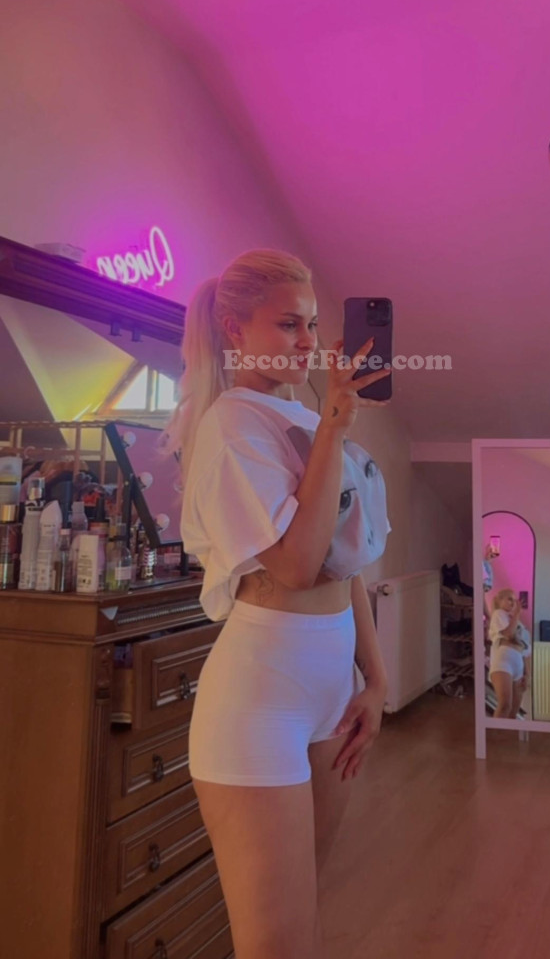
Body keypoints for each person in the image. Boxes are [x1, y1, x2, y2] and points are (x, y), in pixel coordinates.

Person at [167, 248, 393, 959]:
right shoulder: (233, 424)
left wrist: (375, 679)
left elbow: (343, 563)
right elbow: (296, 566)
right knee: (277, 944)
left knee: (304, 920)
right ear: (235, 330)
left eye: (313, 324)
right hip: (260, 699)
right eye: (288, 324)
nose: (307, 341)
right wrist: (334, 428)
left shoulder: (300, 414)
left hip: (332, 691)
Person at [488, 588, 532, 719]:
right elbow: (509, 634)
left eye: (514, 599)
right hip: (504, 660)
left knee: (513, 711)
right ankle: (495, 732)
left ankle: (506, 733)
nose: (513, 602)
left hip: (518, 664)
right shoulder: (498, 614)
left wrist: (527, 674)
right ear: (499, 600)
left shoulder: (517, 622)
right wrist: (517, 614)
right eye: (509, 599)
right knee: (504, 706)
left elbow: (526, 651)